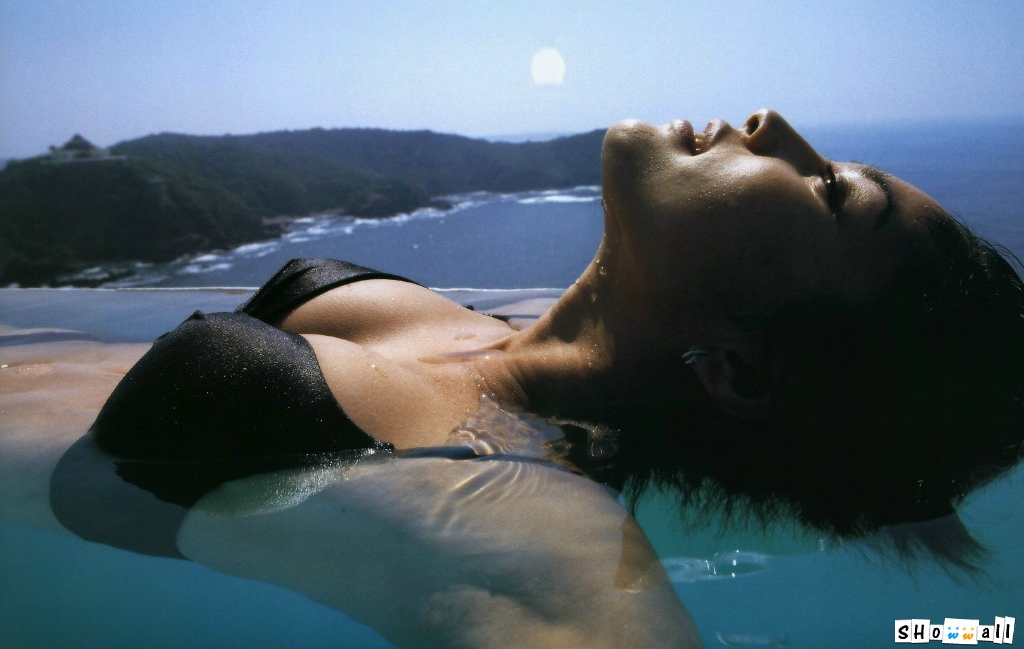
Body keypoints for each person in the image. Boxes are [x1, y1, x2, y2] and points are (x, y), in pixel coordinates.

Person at [9, 110, 1024, 648]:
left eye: (832, 192)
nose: (776, 124)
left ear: (745, 373)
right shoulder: (487, 338)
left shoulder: (525, 515)